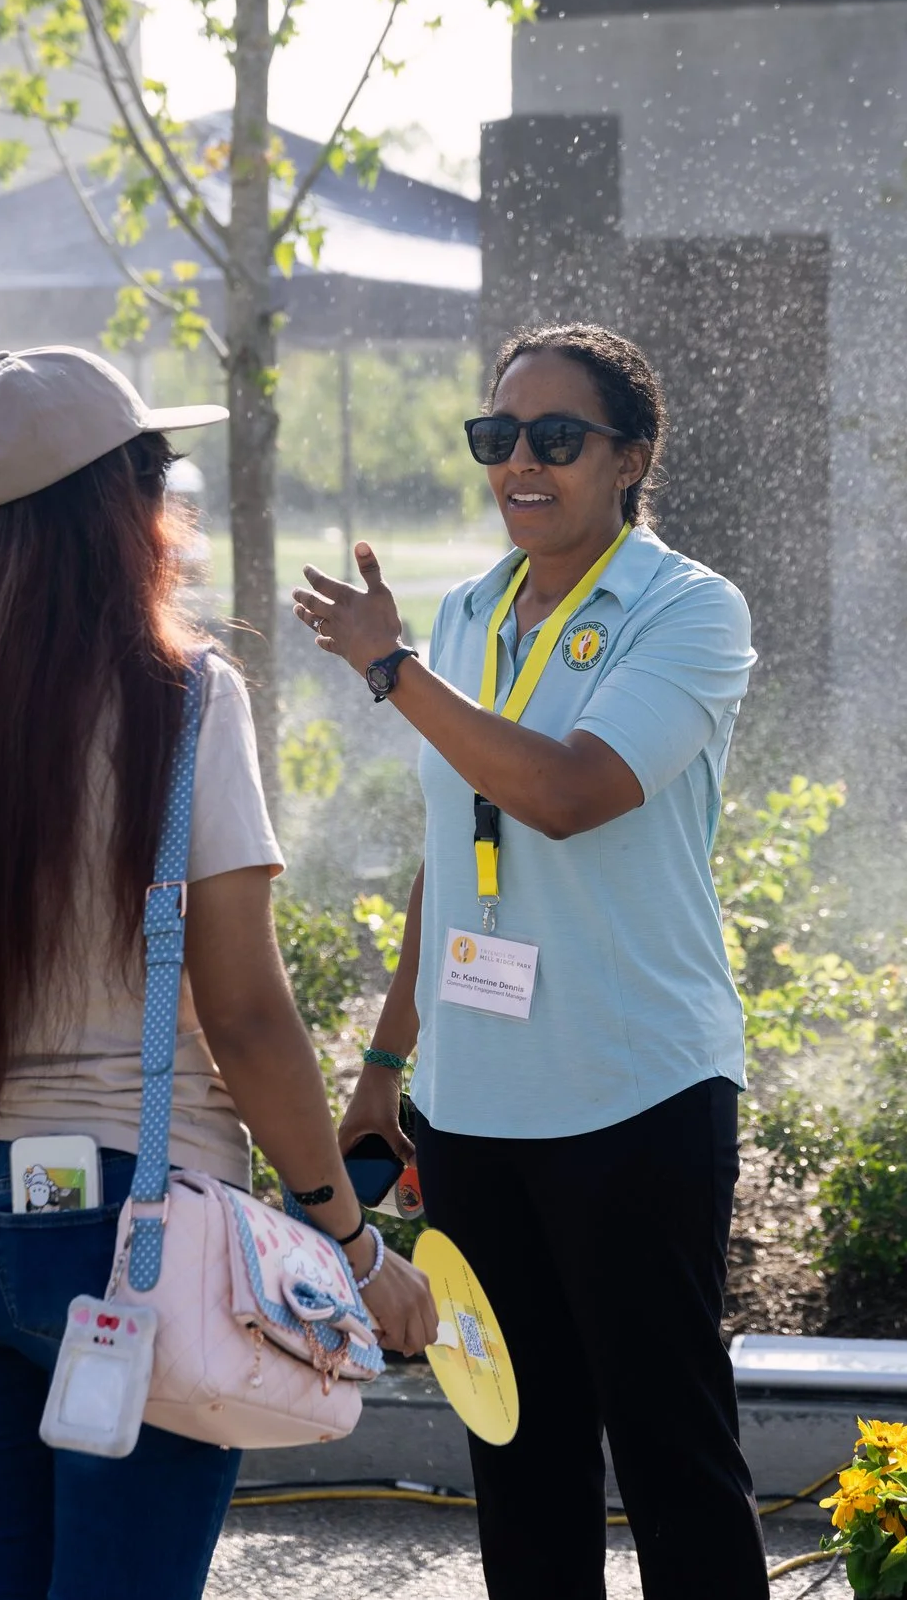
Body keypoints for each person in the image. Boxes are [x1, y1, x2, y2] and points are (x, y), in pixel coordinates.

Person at [0, 345, 436, 1600]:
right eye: (162, 473)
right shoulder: (178, 696)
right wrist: (358, 1250)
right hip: (122, 1229)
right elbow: (247, 1011)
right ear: (121, 498)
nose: (176, 501)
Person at [292, 323, 766, 1600]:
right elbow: (456, 850)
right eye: (497, 437)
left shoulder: (689, 609)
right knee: (517, 1450)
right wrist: (390, 1063)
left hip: (635, 1093)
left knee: (673, 1456)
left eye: (557, 438)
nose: (521, 463)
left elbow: (566, 793)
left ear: (632, 457)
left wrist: (393, 670)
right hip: (477, 1104)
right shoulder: (468, 610)